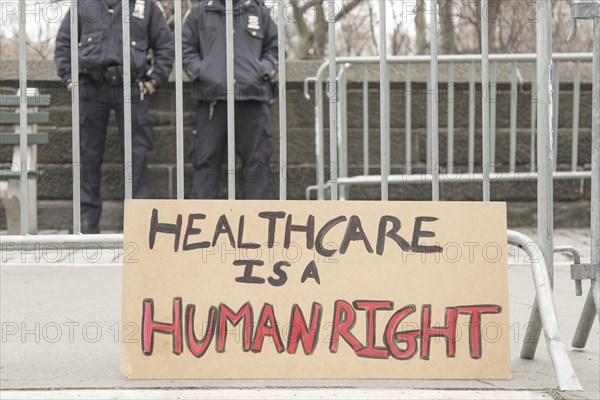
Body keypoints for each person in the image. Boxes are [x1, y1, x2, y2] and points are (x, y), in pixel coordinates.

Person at [55, 0, 175, 233]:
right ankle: (86, 221)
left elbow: (165, 47)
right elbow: (63, 44)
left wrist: (153, 82)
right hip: (91, 86)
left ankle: (138, 223)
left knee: (136, 155)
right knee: (88, 153)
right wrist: (70, 80)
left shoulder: (145, 6)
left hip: (131, 86)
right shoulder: (84, 5)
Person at [182, 0, 278, 199]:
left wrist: (263, 70)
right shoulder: (199, 12)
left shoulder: (260, 12)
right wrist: (202, 72)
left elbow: (276, 49)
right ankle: (203, 226)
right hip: (211, 101)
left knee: (256, 165)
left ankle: (257, 226)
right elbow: (185, 48)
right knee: (205, 163)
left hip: (252, 99)